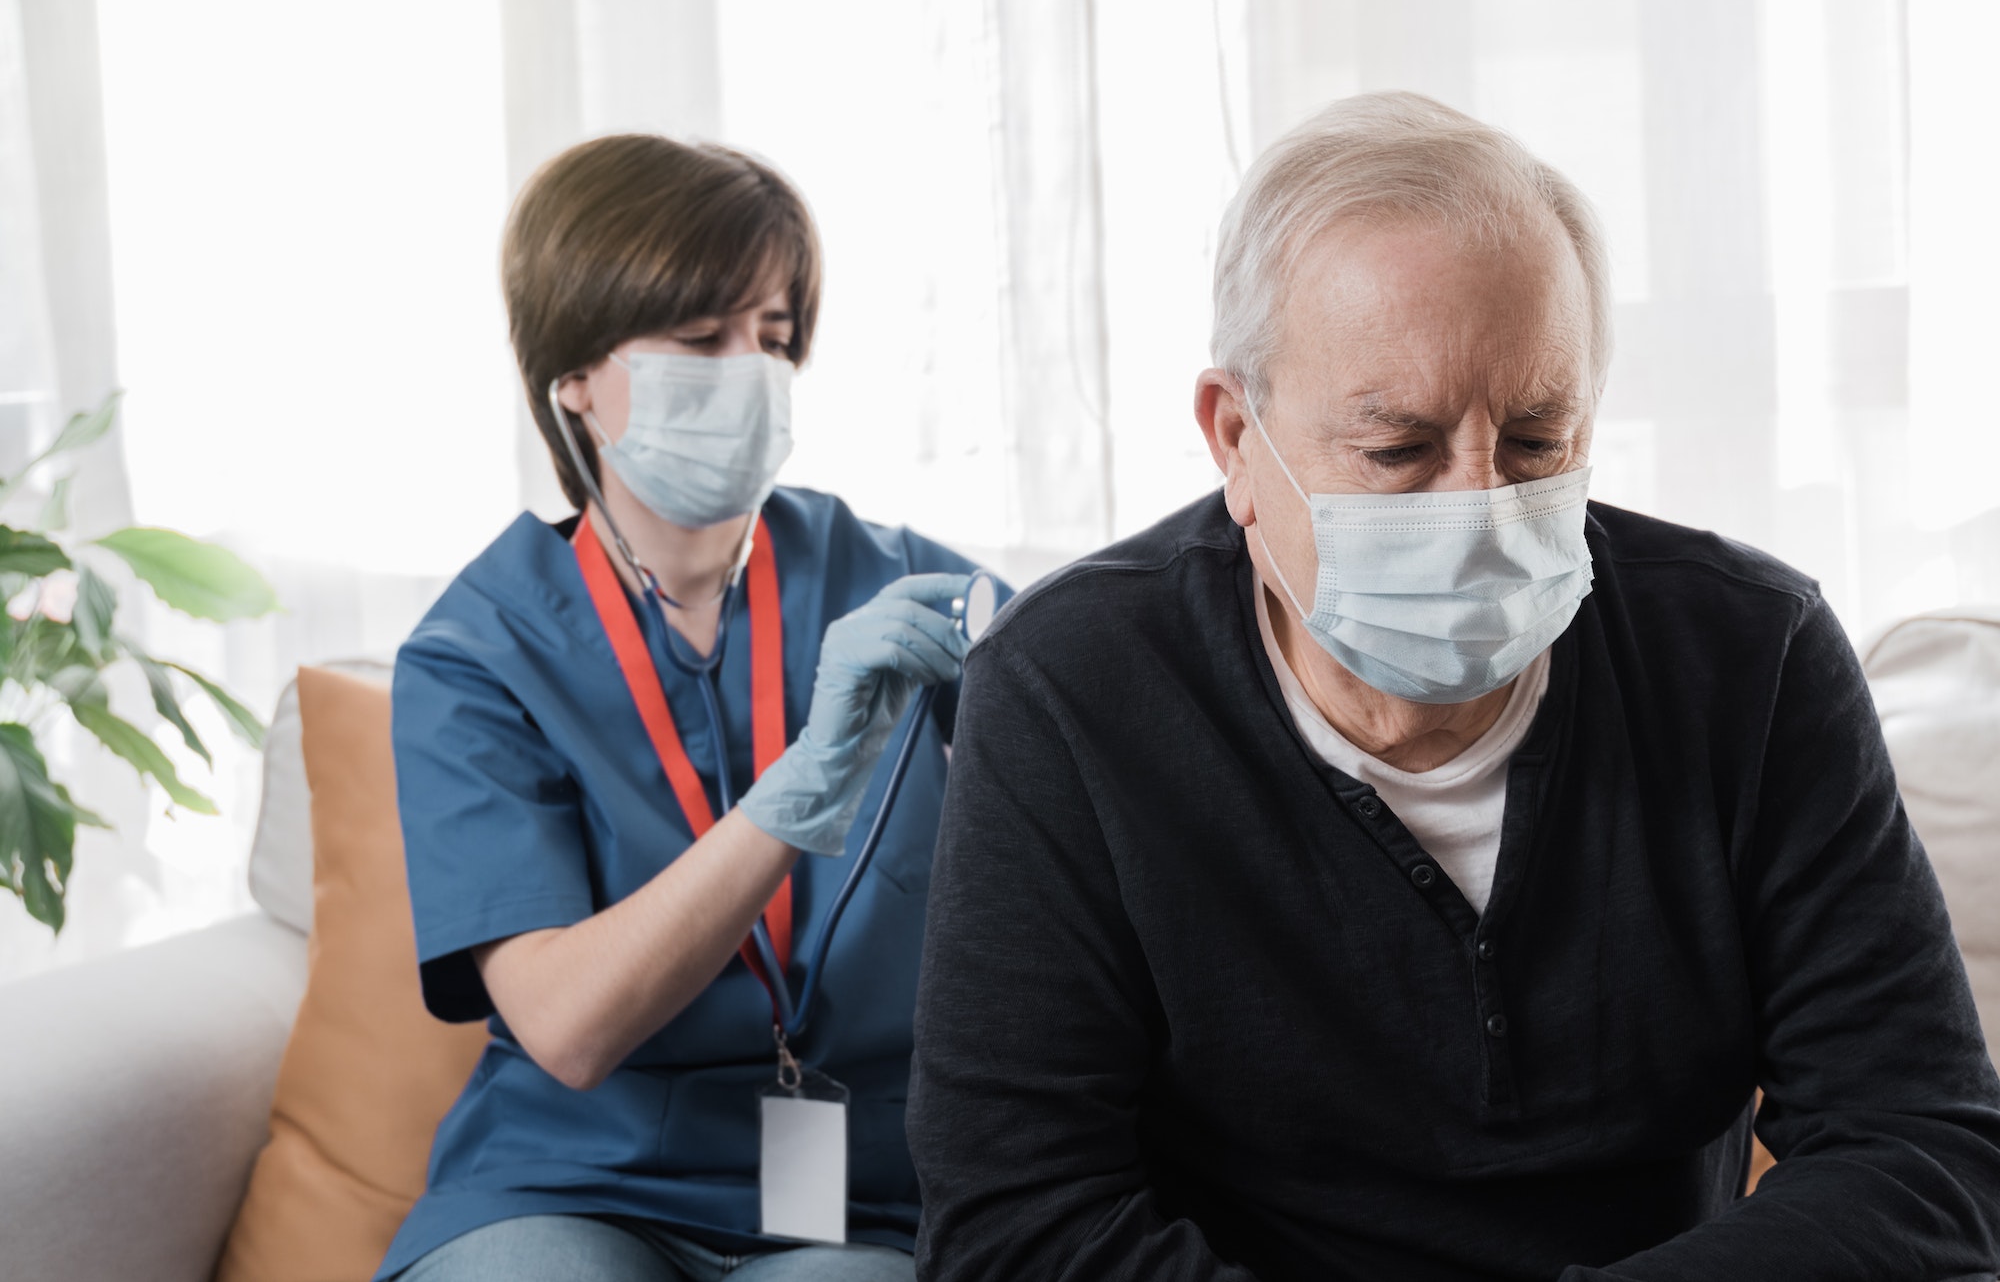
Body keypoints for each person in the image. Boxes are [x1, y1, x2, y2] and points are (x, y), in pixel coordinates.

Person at [907, 92, 2000, 1281]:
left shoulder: (1751, 655)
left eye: (1534, 441)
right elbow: (1013, 1227)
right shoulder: (1068, 692)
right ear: (1233, 438)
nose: (1477, 510)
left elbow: (1922, 1147)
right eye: (1396, 451)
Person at [380, 134, 998, 1281]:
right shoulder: (478, 652)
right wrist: (800, 791)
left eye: (771, 336)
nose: (750, 370)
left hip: (850, 1193)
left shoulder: (891, 580)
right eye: (699, 336)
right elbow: (566, 1026)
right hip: (570, 1177)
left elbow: (1103, 726)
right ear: (573, 375)